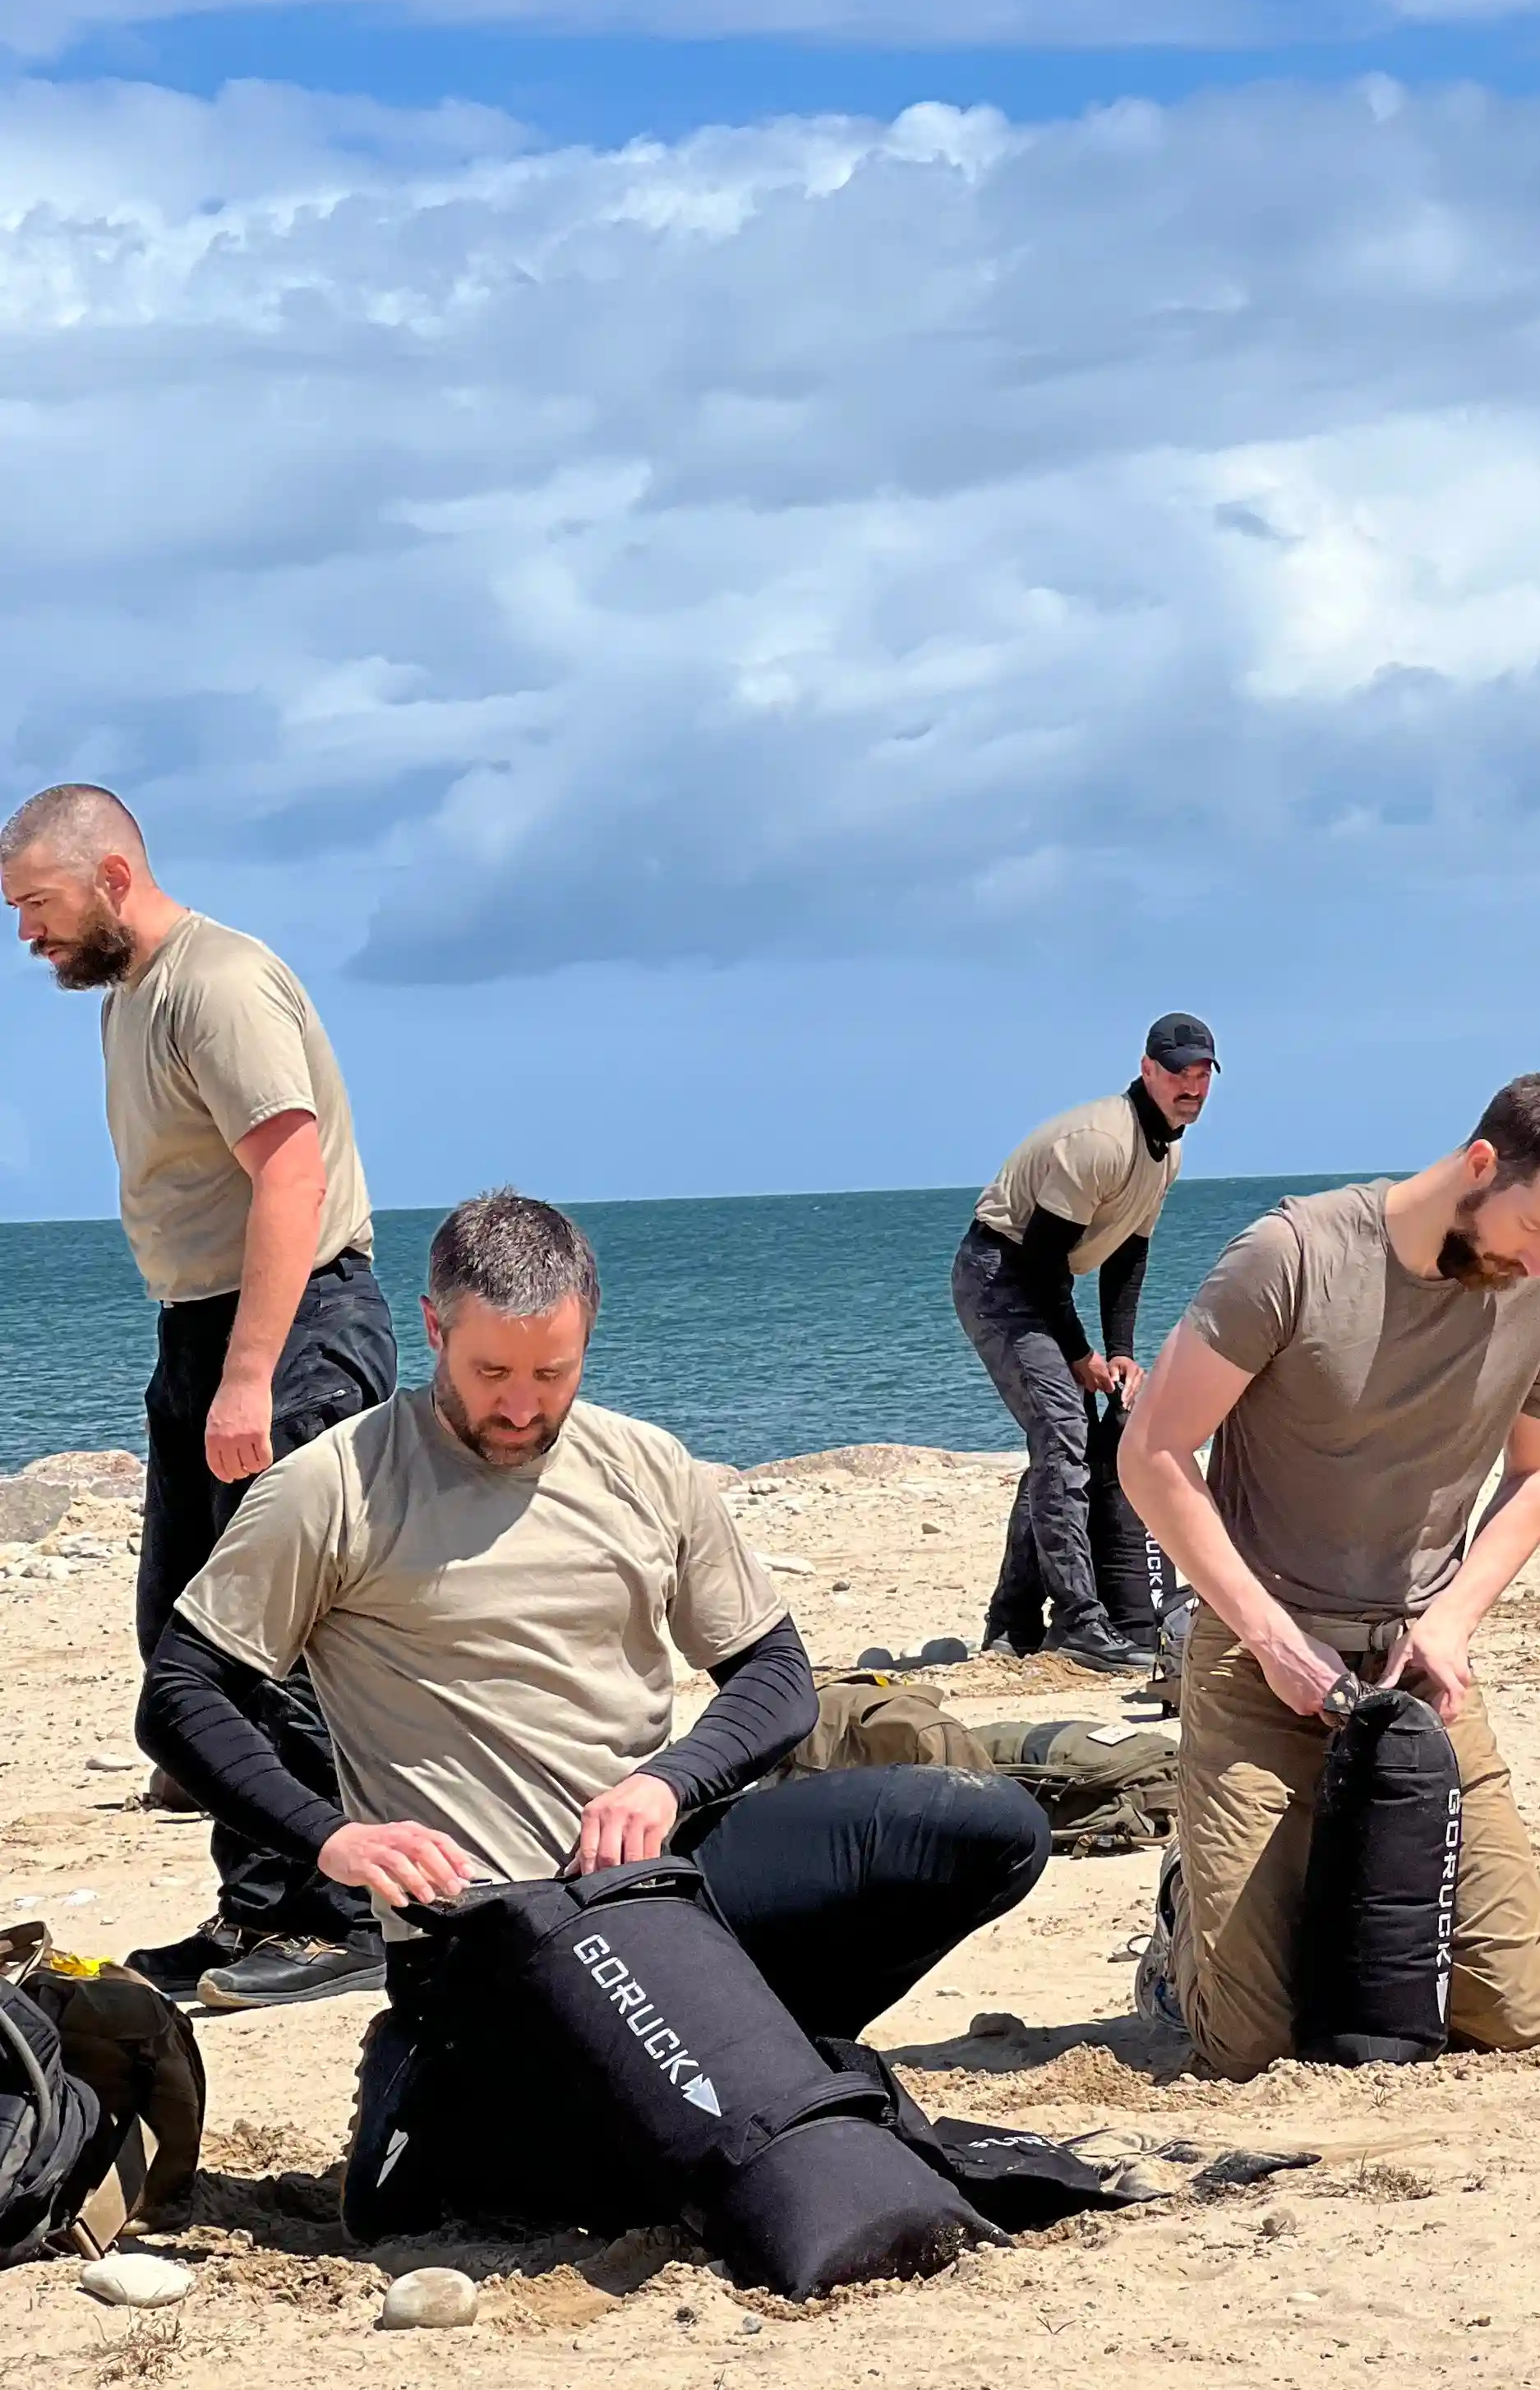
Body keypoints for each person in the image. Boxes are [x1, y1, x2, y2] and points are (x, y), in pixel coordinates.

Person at [133, 1192, 1051, 2185]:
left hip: (663, 1886)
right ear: (434, 1328)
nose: (522, 1405)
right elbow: (181, 1694)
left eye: (551, 1373)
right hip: (491, 1931)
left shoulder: (648, 1466)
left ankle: (759, 2044)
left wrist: (667, 1784)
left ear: (590, 1335)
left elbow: (775, 1676)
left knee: (991, 1828)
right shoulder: (336, 1484)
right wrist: (333, 1841)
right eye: (490, 1372)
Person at [1118, 1073, 1540, 2079]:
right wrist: (1273, 1640)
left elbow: (1535, 1480)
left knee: (1512, 2015)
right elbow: (1153, 1453)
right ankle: (1187, 1921)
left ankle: (1286, 1879)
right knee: (1249, 2046)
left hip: (1417, 1674)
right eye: (1532, 1227)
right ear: (1481, 1165)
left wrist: (1453, 1624)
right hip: (1257, 1661)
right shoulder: (1292, 1257)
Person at [1, 783, 397, 2010]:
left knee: (275, 1642)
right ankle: (262, 1902)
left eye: (37, 906)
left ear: (112, 875)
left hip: (290, 1327)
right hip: (205, 1327)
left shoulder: (215, 982)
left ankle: (346, 1916)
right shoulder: (128, 996)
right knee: (186, 1651)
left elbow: (290, 1172)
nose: (27, 936)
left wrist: (246, 1377)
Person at [952, 1013, 1217, 1672]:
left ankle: (1011, 1620)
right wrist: (1079, 1354)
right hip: (1001, 1277)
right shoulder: (1101, 1140)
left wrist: (1120, 1349)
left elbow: (1129, 1252)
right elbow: (1041, 1265)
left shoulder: (1168, 1150)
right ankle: (1077, 1623)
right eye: (1179, 1071)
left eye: (1203, 1073)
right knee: (1065, 1432)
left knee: (1056, 1440)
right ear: (1147, 1069)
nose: (1191, 1084)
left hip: (1038, 1284)